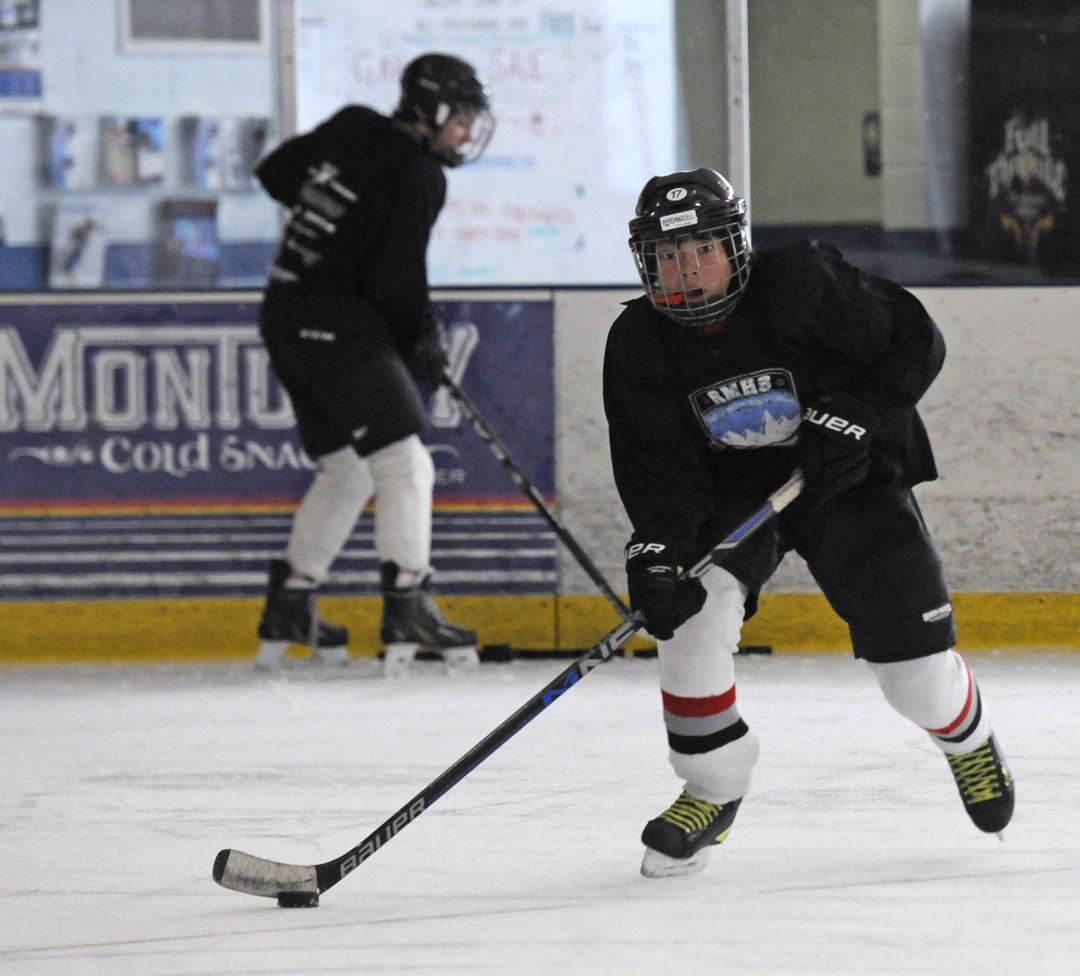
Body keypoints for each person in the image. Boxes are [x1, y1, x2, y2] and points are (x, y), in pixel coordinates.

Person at [603, 168, 1015, 879]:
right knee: (691, 616)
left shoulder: (802, 282)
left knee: (914, 680)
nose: (684, 273)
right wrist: (658, 549)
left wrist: (857, 411)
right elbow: (657, 467)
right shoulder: (639, 340)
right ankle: (712, 788)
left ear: (734, 246)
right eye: (666, 258)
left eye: (699, 249)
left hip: (847, 478)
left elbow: (916, 339)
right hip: (733, 491)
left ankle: (966, 735)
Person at [251, 53, 495, 675]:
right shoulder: (418, 175)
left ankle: (291, 606)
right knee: (405, 464)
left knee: (347, 468)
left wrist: (334, 202)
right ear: (431, 110)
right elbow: (396, 280)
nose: (466, 134)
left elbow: (276, 173)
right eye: (461, 120)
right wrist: (423, 338)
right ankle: (408, 603)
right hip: (333, 323)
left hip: (284, 312)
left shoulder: (355, 127)